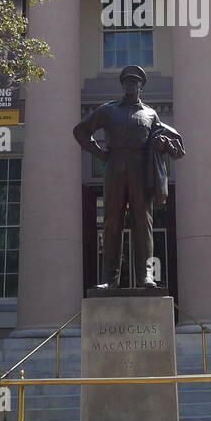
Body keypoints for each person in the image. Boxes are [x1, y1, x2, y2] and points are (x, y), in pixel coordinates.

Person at [73, 65, 184, 289]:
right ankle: (109, 279)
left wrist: (163, 145)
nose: (131, 85)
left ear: (141, 85)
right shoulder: (108, 110)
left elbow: (172, 146)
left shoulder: (150, 114)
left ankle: (146, 276)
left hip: (141, 168)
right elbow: (80, 131)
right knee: (112, 221)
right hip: (114, 166)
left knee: (143, 223)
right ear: (122, 85)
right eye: (127, 82)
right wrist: (100, 153)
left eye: (135, 82)